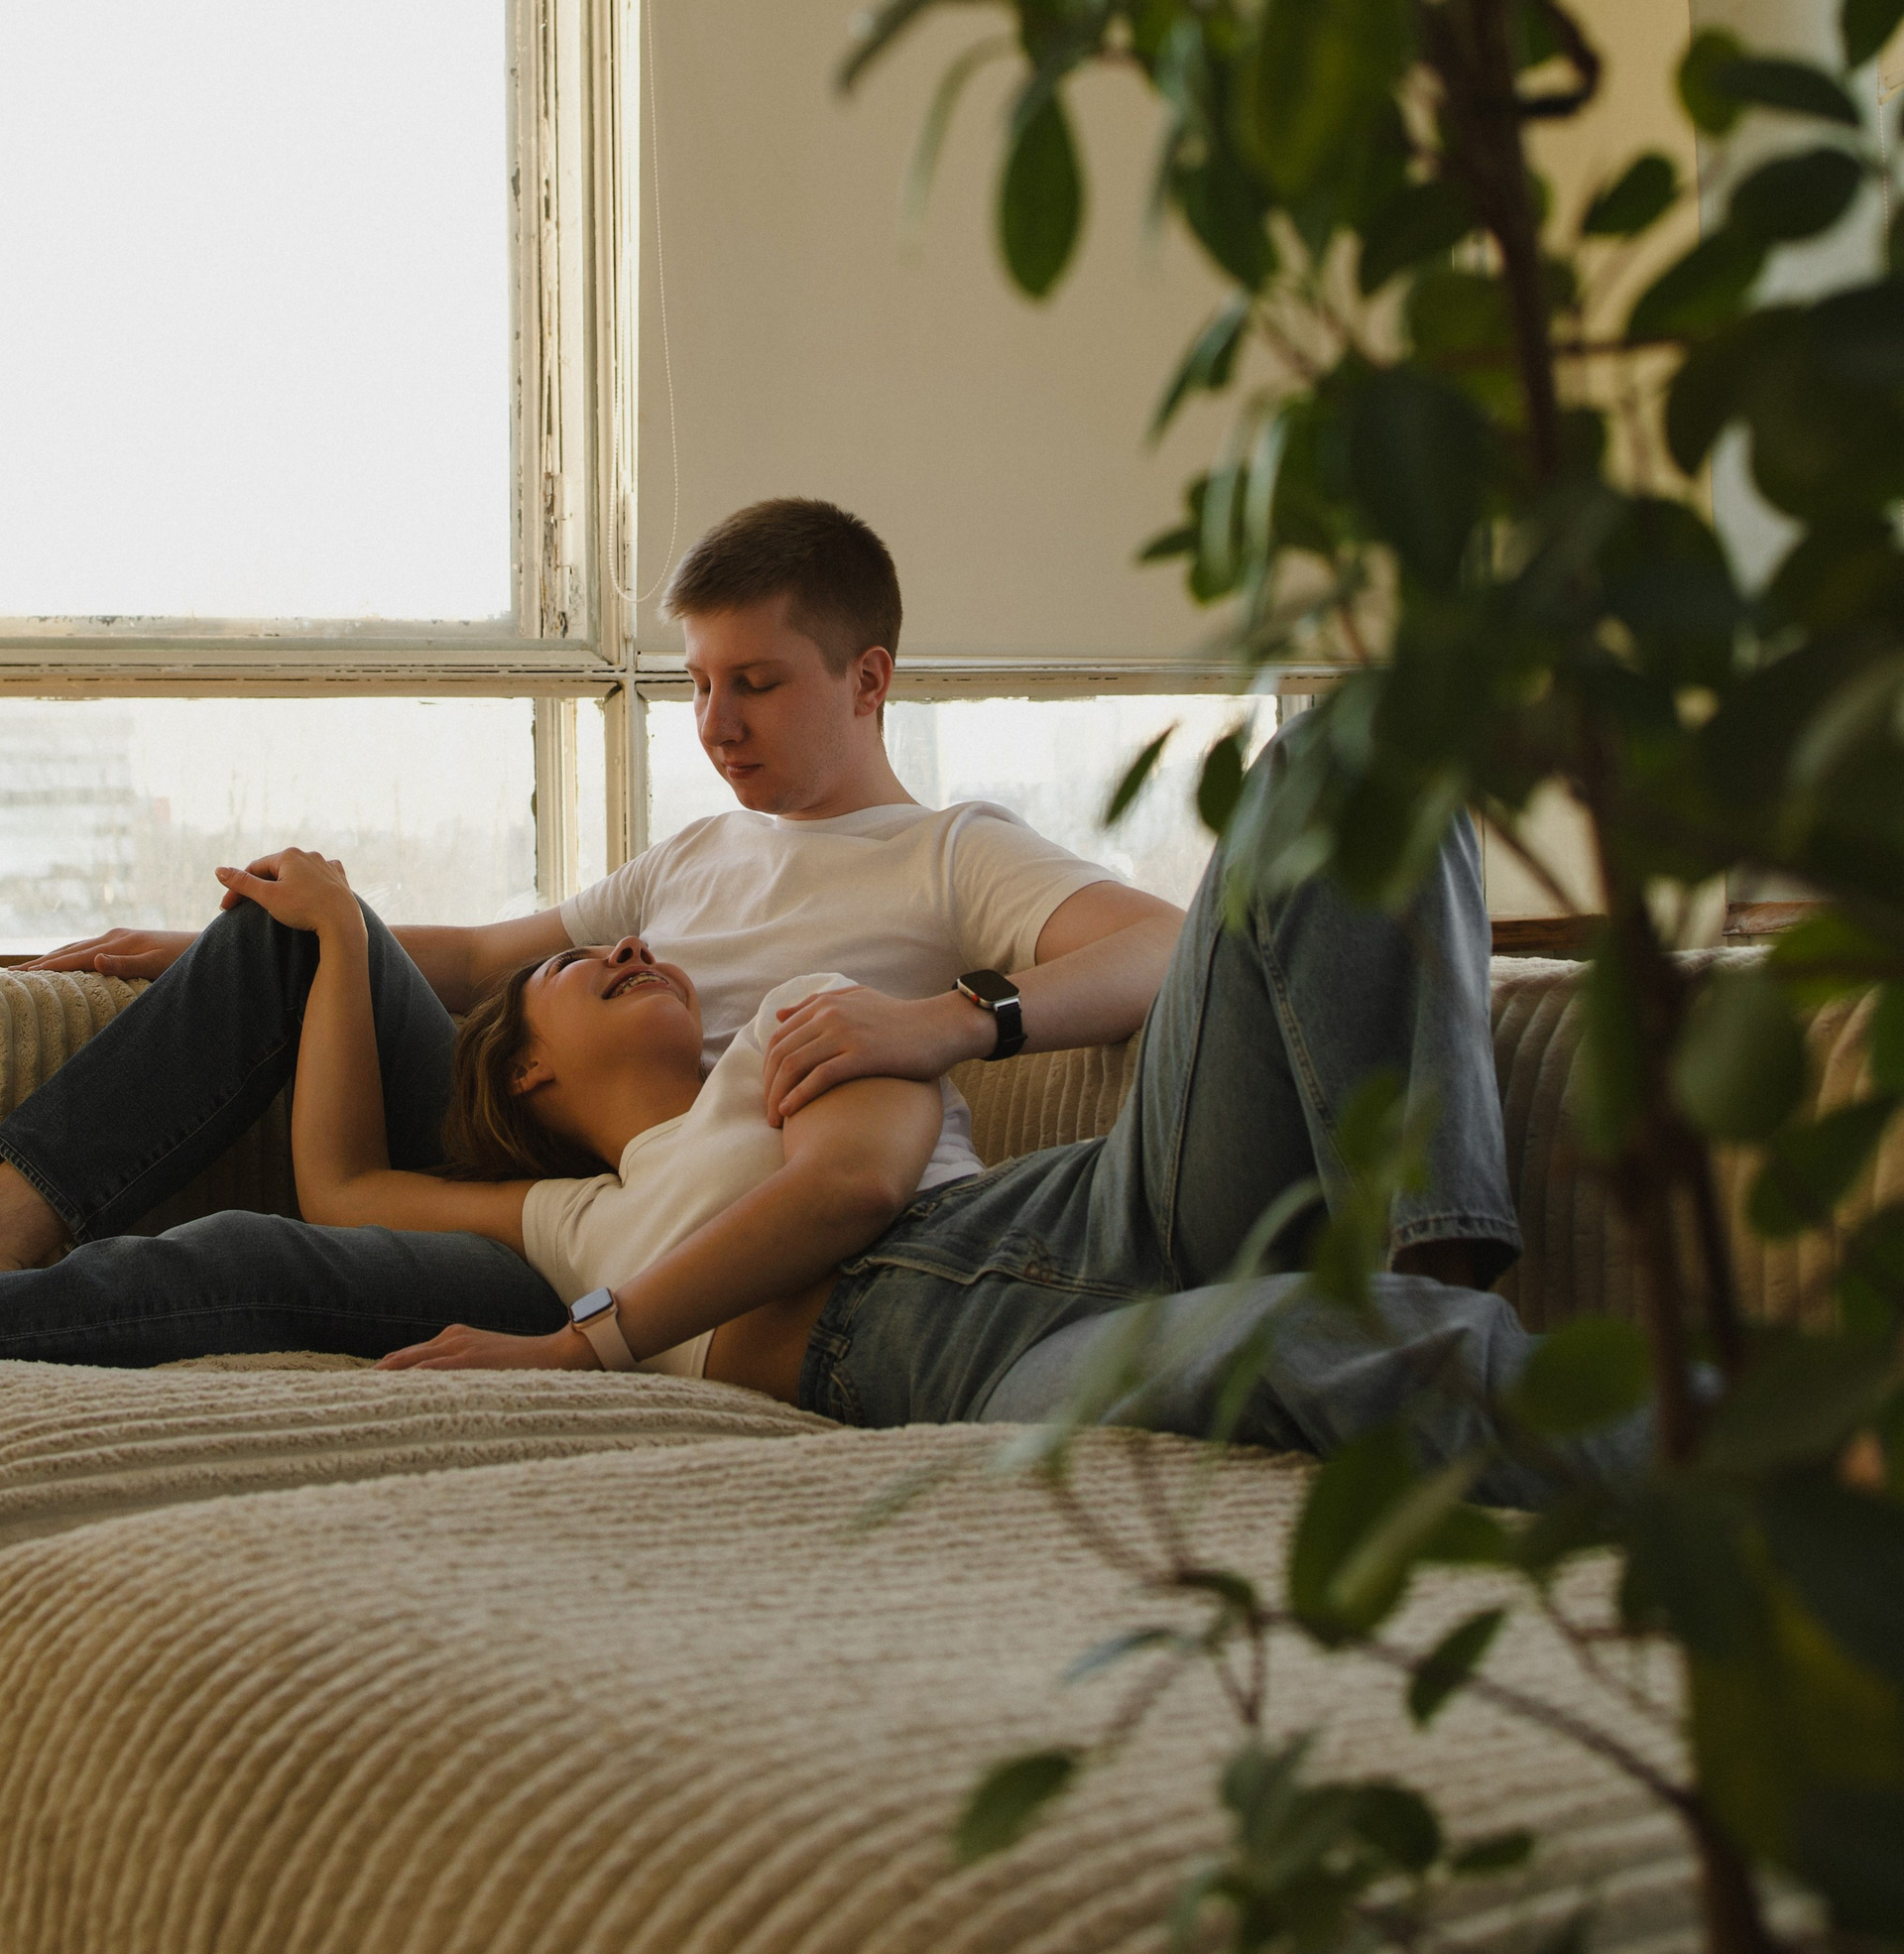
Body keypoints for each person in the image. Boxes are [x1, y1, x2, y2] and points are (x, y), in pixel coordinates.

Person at [0, 800, 1580, 1511]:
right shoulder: (565, 1217)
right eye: (589, 967)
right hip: (973, 1372)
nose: (633, 952)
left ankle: (1439, 1243)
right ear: (528, 1067)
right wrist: (342, 932)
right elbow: (340, 1188)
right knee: (1347, 1351)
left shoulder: (804, 1025)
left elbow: (859, 1188)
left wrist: (587, 1346)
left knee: (1351, 763)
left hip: (1090, 1210)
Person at [0, 501, 1183, 1342]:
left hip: (651, 1236)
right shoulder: (698, 852)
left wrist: (949, 1022)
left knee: (251, 1255)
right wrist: (217, 941)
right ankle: (10, 1219)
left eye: (756, 684)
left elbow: (1166, 944)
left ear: (867, 680)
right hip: (563, 1143)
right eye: (699, 685)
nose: (716, 725)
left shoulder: (949, 852)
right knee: (297, 924)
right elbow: (482, 960)